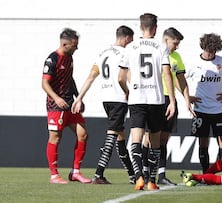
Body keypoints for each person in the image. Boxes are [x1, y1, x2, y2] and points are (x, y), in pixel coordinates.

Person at [118, 13, 176, 191]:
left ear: (140, 27)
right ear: (156, 28)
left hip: (137, 99)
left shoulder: (130, 47)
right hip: (156, 100)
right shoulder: (161, 46)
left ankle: (138, 177)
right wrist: (172, 101)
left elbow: (120, 78)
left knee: (136, 140)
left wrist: (129, 92)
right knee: (155, 141)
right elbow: (167, 73)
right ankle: (151, 180)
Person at [71, 25, 135, 184]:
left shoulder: (103, 53)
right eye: (131, 40)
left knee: (120, 136)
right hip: (119, 98)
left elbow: (91, 77)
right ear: (126, 38)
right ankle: (99, 174)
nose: (131, 43)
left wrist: (79, 97)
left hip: (106, 98)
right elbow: (128, 76)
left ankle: (133, 176)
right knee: (113, 134)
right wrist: (132, 91)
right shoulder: (125, 53)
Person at [142, 27, 195, 186]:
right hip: (153, 100)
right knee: (149, 138)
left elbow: (180, 80)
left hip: (169, 101)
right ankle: (145, 172)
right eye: (175, 43)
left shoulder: (176, 57)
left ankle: (161, 174)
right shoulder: (154, 51)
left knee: (164, 139)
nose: (177, 46)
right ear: (166, 40)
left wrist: (186, 98)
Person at [41, 28, 91, 184]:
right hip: (56, 106)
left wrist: (78, 98)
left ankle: (75, 172)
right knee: (55, 137)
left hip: (69, 104)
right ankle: (54, 175)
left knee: (83, 134)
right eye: (74, 45)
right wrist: (56, 98)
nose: (77, 48)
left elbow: (70, 79)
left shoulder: (69, 59)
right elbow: (44, 83)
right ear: (65, 43)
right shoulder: (52, 59)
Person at [186, 33, 222, 174]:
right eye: (209, 51)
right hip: (200, 110)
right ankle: (206, 173)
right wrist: (187, 97)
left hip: (218, 110)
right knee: (203, 142)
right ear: (203, 48)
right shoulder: (193, 63)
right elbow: (178, 80)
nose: (211, 54)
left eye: (214, 51)